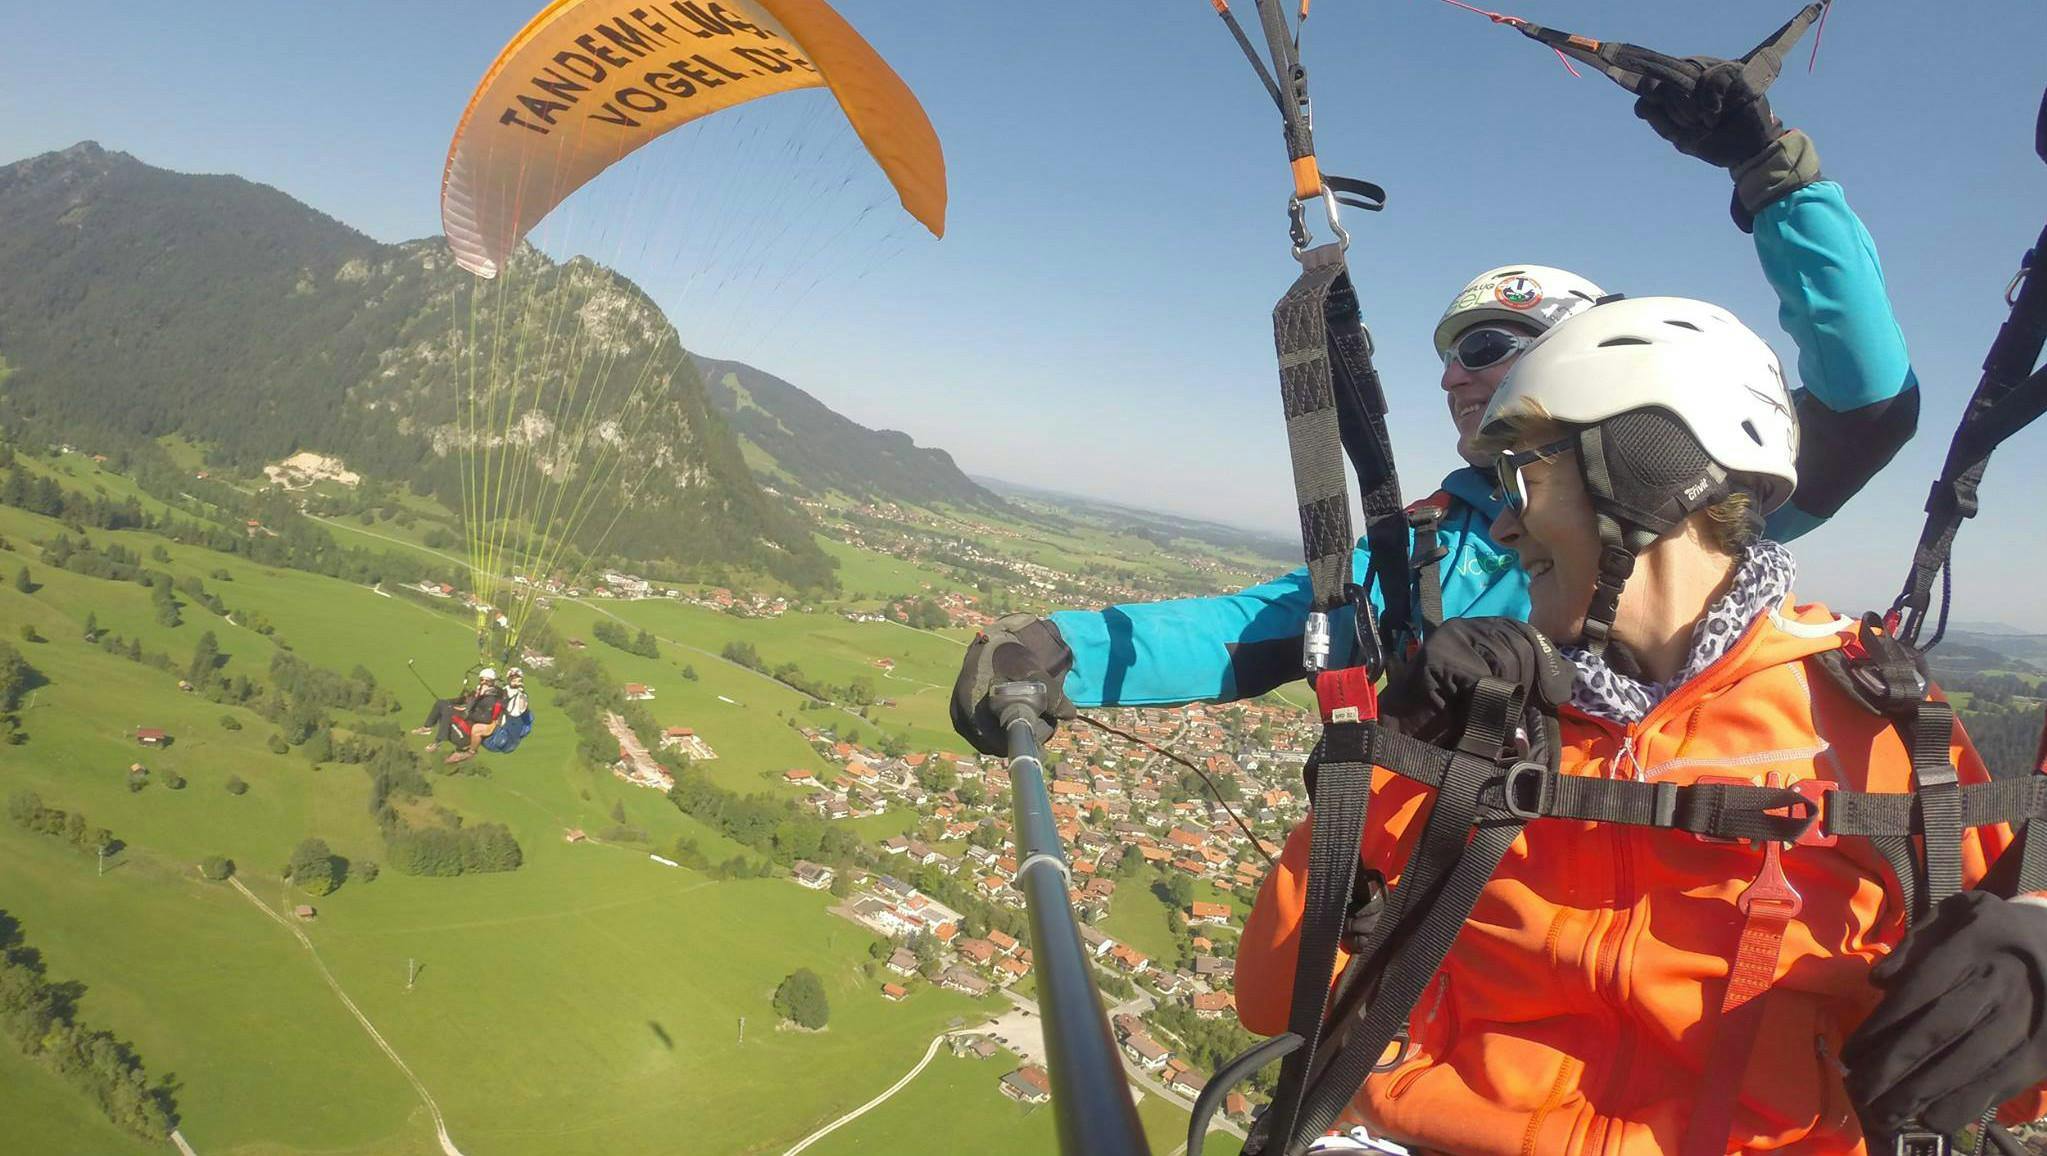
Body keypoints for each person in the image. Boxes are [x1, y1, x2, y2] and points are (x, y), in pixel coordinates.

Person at [1232, 298, 2047, 1154]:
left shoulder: (1878, 727)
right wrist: (1394, 769)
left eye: (1524, 480)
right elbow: (1274, 998)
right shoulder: (1491, 712)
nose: (1504, 525)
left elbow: (2008, 1078)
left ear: (1644, 475)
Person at [950, 56, 1919, 750]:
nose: (1452, 377)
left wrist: (1775, 175)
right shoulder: (1425, 548)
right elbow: (1252, 630)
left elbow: (1866, 400)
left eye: (1484, 350)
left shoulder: (1684, 508)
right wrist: (1065, 645)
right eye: (1447, 359)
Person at [415, 668, 503, 754]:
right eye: (482, 680)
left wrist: (467, 711)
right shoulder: (477, 693)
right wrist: (449, 702)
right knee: (441, 703)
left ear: (493, 683)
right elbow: (463, 700)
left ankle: (438, 742)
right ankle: (427, 728)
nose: (484, 683)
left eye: (487, 681)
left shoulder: (491, 699)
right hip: (462, 721)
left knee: (448, 710)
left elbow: (486, 719)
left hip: (465, 734)